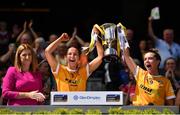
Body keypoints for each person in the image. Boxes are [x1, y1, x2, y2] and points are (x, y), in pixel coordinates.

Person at [45, 27, 104, 91]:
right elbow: (47, 52)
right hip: (63, 101)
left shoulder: (84, 71)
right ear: (66, 57)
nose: (72, 56)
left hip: (79, 101)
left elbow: (100, 57)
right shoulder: (59, 69)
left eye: (75, 54)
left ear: (79, 58)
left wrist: (95, 37)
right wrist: (61, 39)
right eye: (69, 54)